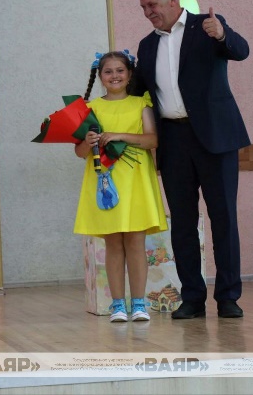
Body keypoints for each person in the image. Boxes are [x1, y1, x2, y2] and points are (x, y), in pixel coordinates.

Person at [133, 0, 250, 319]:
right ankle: (193, 298)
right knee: (182, 223)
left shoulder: (207, 26)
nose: (147, 12)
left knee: (223, 218)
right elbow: (138, 91)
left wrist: (223, 34)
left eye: (152, 5)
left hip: (216, 137)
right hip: (173, 140)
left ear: (172, 0)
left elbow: (241, 51)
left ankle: (228, 296)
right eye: (143, 7)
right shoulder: (147, 45)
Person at [74, 51, 168, 323]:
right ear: (100, 76)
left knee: (136, 241)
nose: (114, 76)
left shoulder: (141, 103)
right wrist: (88, 142)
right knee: (113, 243)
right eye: (108, 71)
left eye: (120, 71)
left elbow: (152, 140)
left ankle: (138, 303)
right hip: (105, 181)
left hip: (136, 180)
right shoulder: (90, 108)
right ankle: (117, 305)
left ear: (129, 74)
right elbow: (79, 153)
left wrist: (119, 136)